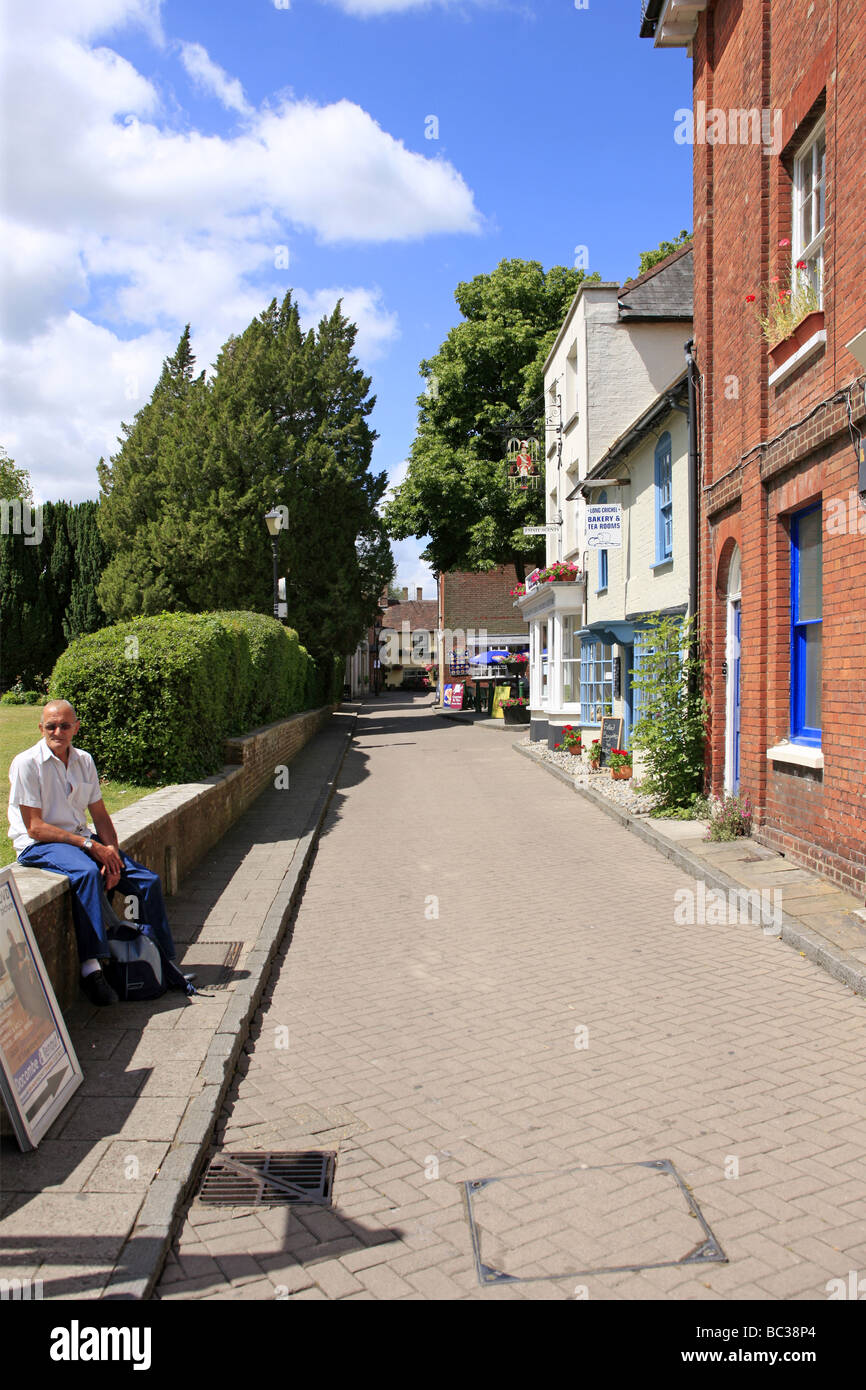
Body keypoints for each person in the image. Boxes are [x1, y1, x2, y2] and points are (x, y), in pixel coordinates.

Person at [7, 699, 178, 1006]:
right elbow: (34, 827)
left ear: (76, 727)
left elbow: (100, 815)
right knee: (86, 874)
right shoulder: (26, 763)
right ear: (41, 728)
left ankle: (165, 963)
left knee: (147, 882)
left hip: (80, 838)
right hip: (41, 844)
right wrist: (90, 846)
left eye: (64, 725)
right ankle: (93, 970)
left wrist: (111, 852)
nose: (57, 731)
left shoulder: (84, 760)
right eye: (50, 726)